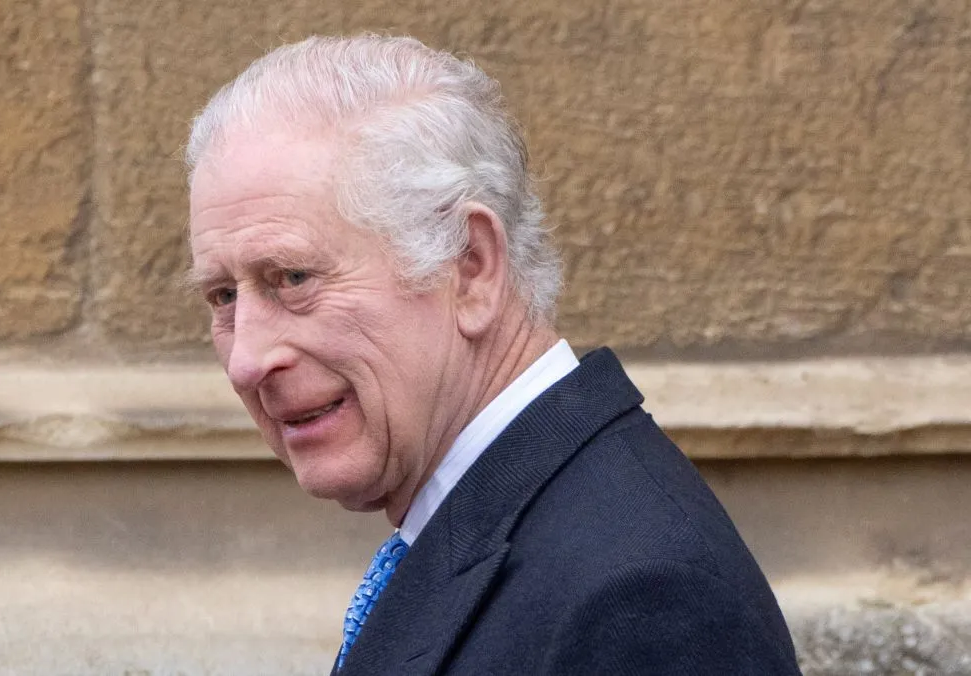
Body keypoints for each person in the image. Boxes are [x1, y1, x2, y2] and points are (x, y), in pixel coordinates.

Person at [185, 34, 801, 675]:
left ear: (471, 268)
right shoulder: (526, 528)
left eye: (293, 278)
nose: (247, 361)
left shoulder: (639, 595)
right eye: (224, 295)